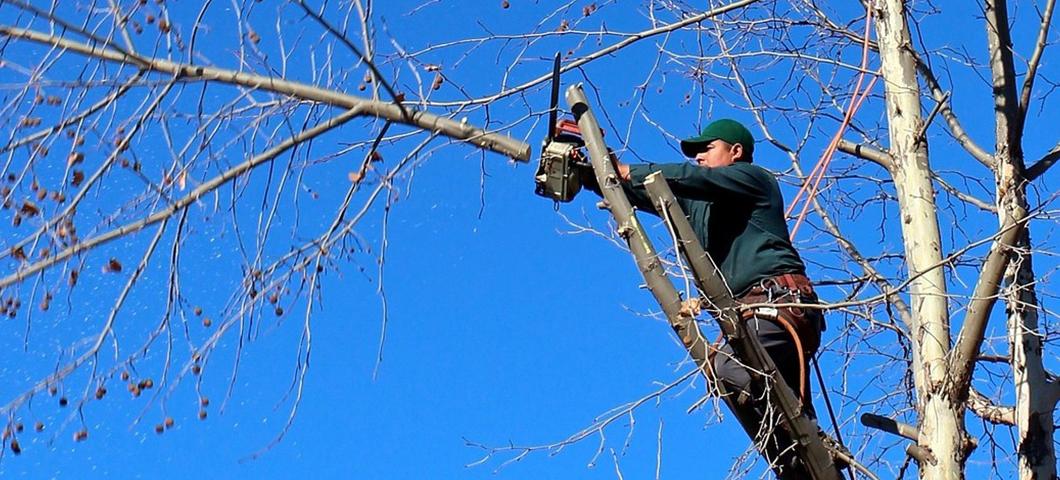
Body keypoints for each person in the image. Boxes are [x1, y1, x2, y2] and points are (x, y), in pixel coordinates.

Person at [586, 119, 827, 478]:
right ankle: (807, 463)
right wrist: (592, 167)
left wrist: (627, 170)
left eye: (706, 148)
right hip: (752, 318)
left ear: (735, 151)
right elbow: (636, 188)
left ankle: (813, 441)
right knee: (781, 440)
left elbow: (690, 179)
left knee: (730, 368)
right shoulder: (698, 204)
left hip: (779, 303)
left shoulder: (753, 179)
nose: (698, 157)